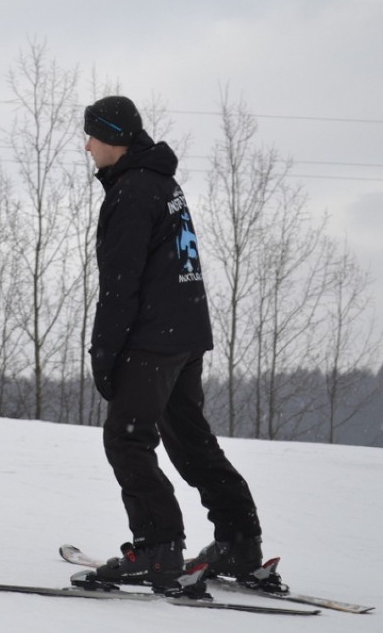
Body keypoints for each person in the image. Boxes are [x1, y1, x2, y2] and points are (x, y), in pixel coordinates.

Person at [76, 96, 267, 594]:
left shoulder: (132, 192)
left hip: (151, 338)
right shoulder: (162, 182)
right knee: (188, 438)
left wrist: (104, 352)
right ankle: (240, 542)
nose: (87, 145)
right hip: (183, 334)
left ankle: (159, 549)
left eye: (92, 135)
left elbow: (121, 283)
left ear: (114, 138)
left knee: (127, 438)